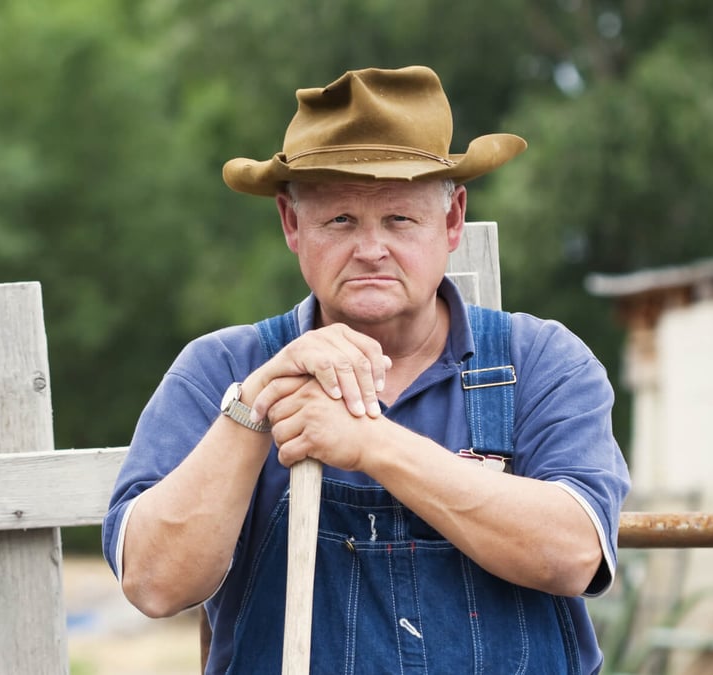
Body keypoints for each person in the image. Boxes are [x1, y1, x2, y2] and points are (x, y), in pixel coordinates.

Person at [102, 65, 630, 674]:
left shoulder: (539, 362)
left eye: (400, 219)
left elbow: (574, 554)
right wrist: (253, 411)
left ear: (453, 220)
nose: (372, 249)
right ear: (292, 224)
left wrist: (372, 443)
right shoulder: (222, 369)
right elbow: (154, 584)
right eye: (340, 221)